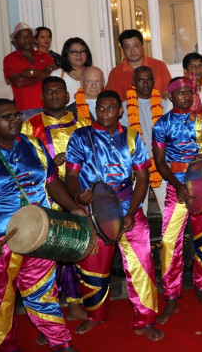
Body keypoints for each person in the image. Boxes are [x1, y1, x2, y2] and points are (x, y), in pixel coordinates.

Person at [0, 98, 83, 352]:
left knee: (44, 294)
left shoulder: (34, 145)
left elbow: (52, 183)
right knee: (0, 303)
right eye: (6, 117)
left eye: (17, 115)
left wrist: (74, 209)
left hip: (38, 237)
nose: (15, 120)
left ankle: (61, 344)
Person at [65, 91, 163, 340]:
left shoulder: (132, 137)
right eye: (101, 108)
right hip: (93, 210)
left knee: (142, 266)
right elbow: (72, 177)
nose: (105, 112)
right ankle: (96, 315)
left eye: (111, 108)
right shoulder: (80, 136)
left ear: (120, 111)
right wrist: (79, 198)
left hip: (127, 205)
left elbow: (142, 178)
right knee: (92, 267)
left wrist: (131, 212)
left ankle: (145, 319)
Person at [152, 76, 202, 323]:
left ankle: (201, 287)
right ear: (170, 97)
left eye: (188, 92)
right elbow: (160, 162)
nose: (185, 96)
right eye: (180, 93)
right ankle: (171, 296)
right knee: (170, 241)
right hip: (177, 188)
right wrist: (177, 185)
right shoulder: (162, 124)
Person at [21, 77, 91, 325]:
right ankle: (48, 311)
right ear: (42, 97)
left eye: (58, 91)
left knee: (78, 248)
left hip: (81, 193)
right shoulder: (29, 126)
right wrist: (52, 161)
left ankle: (77, 303)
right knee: (51, 253)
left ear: (67, 95)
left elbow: (93, 156)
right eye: (48, 92)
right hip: (47, 196)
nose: (54, 95)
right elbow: (24, 162)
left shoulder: (83, 122)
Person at [120, 66, 171, 215]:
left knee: (168, 211)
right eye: (141, 80)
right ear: (134, 82)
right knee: (139, 214)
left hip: (162, 163)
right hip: (137, 166)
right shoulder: (124, 106)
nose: (145, 84)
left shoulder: (164, 104)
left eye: (149, 80)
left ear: (154, 82)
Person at [3, 22, 57, 118]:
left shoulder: (45, 56)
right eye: (21, 36)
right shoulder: (10, 59)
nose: (26, 39)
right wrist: (44, 74)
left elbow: (54, 78)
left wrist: (33, 73)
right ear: (15, 40)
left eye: (29, 35)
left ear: (33, 38)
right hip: (26, 110)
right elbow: (19, 82)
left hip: (50, 107)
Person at [105, 29, 172, 101]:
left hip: (157, 110)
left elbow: (168, 94)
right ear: (123, 50)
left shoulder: (159, 66)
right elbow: (111, 100)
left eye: (136, 46)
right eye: (127, 47)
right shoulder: (115, 73)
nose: (132, 51)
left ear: (142, 46)